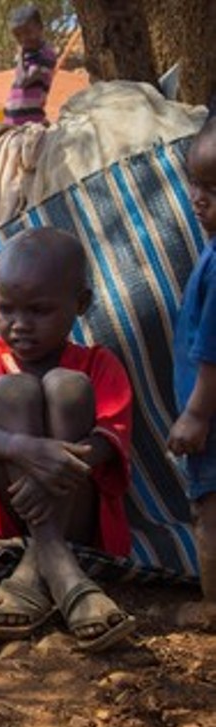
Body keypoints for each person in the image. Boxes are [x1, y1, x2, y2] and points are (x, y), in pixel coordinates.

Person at [0, 227, 137, 652]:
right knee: (13, 390)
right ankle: (62, 570)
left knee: (69, 387)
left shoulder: (98, 364)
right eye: (5, 309)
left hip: (75, 514)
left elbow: (112, 439)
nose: (19, 325)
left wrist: (52, 466)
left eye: (39, 311)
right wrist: (26, 450)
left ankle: (33, 569)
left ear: (80, 304)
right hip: (0, 512)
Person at [167, 118, 216, 630]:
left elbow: (212, 350)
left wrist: (197, 415)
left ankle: (212, 605)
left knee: (210, 512)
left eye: (215, 190)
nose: (199, 200)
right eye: (195, 184)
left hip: (212, 425)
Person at [3, 4, 56, 127]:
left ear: (40, 27)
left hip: (30, 122)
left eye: (28, 32)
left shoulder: (45, 54)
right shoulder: (28, 53)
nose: (23, 39)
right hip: (12, 120)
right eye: (18, 35)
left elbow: (23, 81)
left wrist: (20, 53)